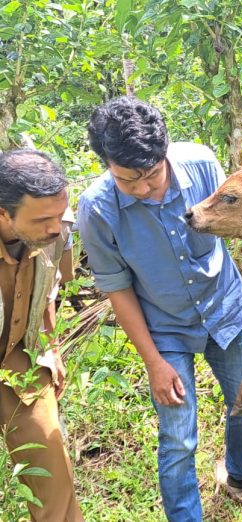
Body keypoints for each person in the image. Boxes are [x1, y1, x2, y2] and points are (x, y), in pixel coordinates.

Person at [77, 96, 242, 521]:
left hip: (225, 312)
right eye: (126, 179)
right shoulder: (97, 209)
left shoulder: (202, 164)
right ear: (107, 165)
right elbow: (118, 289)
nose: (143, 188)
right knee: (178, 438)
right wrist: (154, 362)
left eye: (151, 174)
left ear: (165, 153)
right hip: (164, 328)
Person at [0, 149, 83, 521]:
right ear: (3, 213)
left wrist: (51, 347)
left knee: (53, 478)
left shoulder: (54, 231)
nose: (56, 228)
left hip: (20, 356)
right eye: (44, 219)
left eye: (59, 214)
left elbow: (48, 289)